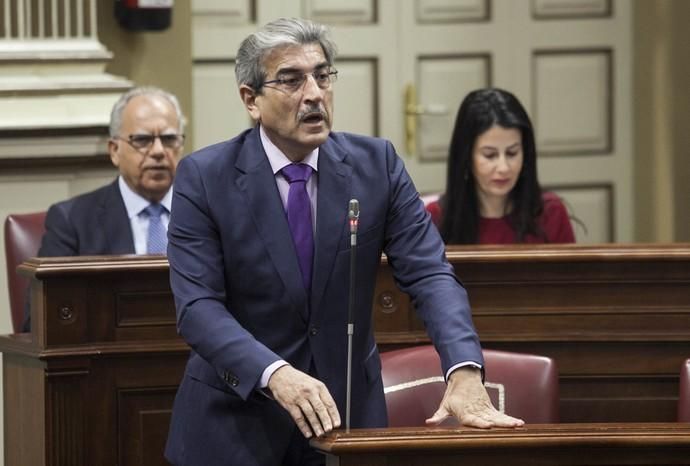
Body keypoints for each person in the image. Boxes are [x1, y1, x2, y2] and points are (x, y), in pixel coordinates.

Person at [164, 18, 523, 466]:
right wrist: (275, 374)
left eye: (323, 75)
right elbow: (197, 308)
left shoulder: (377, 165)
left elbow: (430, 273)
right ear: (250, 99)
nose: (314, 93)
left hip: (348, 419)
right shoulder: (205, 177)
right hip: (236, 425)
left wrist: (464, 368)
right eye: (292, 80)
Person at [22, 86, 185, 331]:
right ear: (114, 151)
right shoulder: (72, 221)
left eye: (170, 139)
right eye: (142, 140)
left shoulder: (208, 212)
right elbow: (42, 321)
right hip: (107, 359)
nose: (159, 151)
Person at [427, 88, 576, 244]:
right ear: (466, 157)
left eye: (512, 153)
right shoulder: (435, 218)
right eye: (490, 155)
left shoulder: (551, 213)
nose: (503, 168)